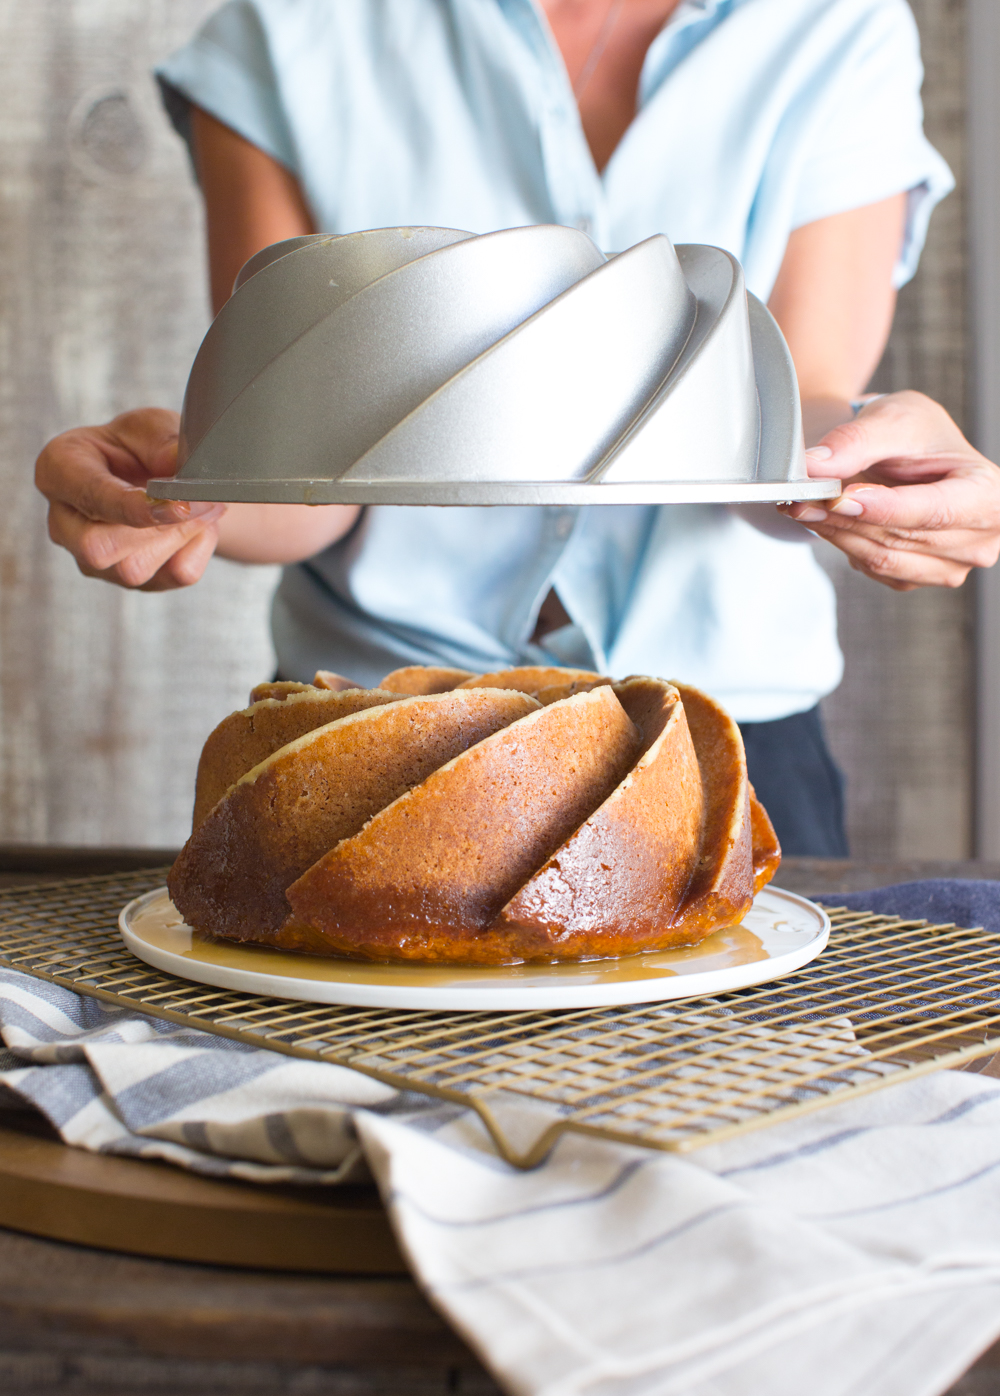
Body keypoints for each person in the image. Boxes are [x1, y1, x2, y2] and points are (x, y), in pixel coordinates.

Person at [34, 0, 961, 855]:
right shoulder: (288, 27)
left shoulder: (835, 26)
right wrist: (181, 486)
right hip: (367, 735)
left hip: (723, 742)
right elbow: (306, 474)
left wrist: (881, 466)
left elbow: (794, 411)